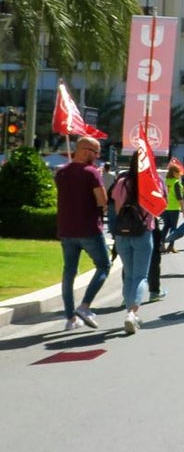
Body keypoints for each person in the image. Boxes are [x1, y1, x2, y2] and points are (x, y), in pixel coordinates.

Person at [55, 136, 111, 330]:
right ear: (86, 151)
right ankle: (85, 306)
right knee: (104, 265)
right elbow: (102, 201)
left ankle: (70, 318)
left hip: (66, 229)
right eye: (95, 153)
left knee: (69, 272)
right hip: (88, 229)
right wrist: (99, 178)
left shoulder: (60, 172)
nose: (97, 157)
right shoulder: (91, 173)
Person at [109, 153, 156, 335]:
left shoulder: (121, 182)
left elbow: (116, 207)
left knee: (128, 275)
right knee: (140, 276)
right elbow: (161, 206)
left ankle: (130, 311)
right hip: (143, 232)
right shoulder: (152, 182)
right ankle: (132, 312)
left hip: (123, 233)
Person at [160, 160, 184, 252]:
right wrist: (183, 209)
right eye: (178, 172)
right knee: (173, 227)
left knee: (166, 225)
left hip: (164, 207)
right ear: (174, 172)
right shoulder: (176, 183)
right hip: (174, 208)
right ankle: (171, 246)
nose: (180, 174)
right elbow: (180, 197)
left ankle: (161, 243)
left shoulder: (165, 181)